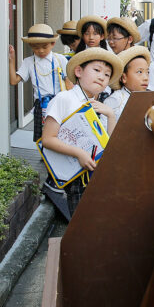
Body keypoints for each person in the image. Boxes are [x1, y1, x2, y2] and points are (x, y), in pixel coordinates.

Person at [41, 47, 122, 216]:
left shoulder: (100, 105)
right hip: (75, 177)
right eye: (97, 70)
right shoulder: (64, 99)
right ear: (78, 71)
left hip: (97, 175)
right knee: (80, 226)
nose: (102, 77)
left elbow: (111, 146)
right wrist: (79, 153)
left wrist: (111, 115)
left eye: (107, 75)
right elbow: (48, 139)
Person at [8, 24, 70, 141]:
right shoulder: (29, 62)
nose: (40, 50)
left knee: (61, 135)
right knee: (41, 138)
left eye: (44, 46)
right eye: (36, 47)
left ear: (52, 44)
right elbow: (13, 80)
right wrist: (12, 60)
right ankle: (43, 158)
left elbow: (69, 83)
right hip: (41, 104)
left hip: (59, 102)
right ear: (30, 45)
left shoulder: (60, 59)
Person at [105, 46, 150, 120]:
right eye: (139, 72)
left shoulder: (149, 98)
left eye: (147, 72)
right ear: (124, 77)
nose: (146, 78)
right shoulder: (116, 100)